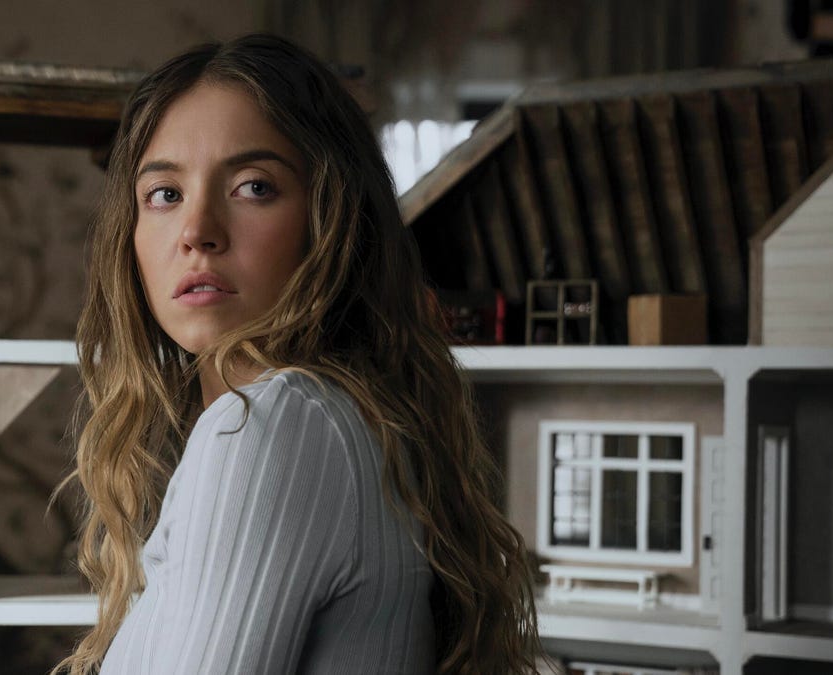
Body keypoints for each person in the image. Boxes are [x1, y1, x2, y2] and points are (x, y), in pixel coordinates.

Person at [54, 34, 539, 675]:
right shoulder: (334, 419)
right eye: (165, 194)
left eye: (254, 187)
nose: (197, 232)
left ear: (332, 221)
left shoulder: (270, 422)